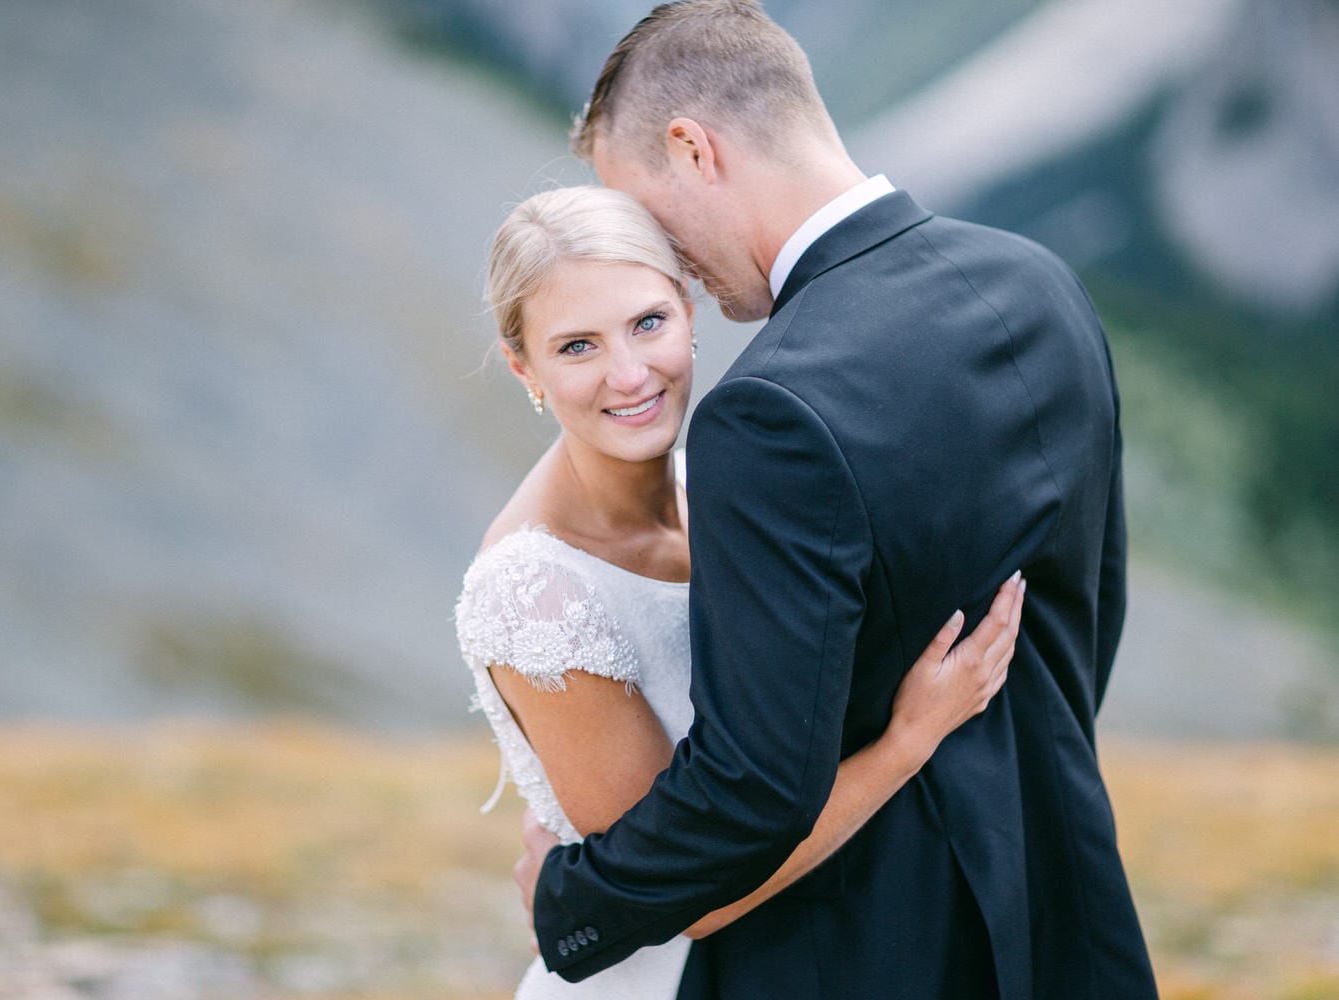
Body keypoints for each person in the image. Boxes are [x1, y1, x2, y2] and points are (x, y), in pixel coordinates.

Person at [511, 3, 1159, 999]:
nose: (665, 256)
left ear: (694, 149)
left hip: (852, 956)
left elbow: (755, 788)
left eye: (646, 208)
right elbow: (1089, 613)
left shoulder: (769, 411)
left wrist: (571, 898)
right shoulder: (1040, 285)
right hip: (1065, 905)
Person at [455, 184, 1024, 999]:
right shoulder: (535, 593)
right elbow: (686, 890)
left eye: (648, 322)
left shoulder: (715, 489)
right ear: (525, 367)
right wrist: (909, 738)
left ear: (689, 311)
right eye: (576, 346)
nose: (627, 374)